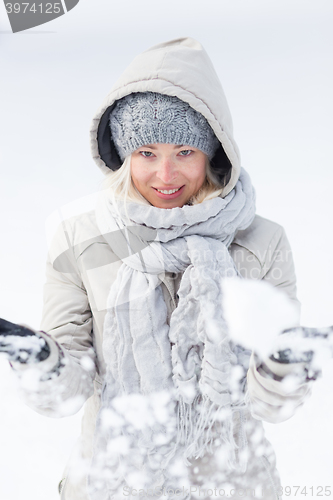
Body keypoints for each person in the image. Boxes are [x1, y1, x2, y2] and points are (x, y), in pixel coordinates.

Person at [0, 38, 313, 500]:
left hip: (230, 485)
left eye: (185, 152)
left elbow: (269, 404)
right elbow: (67, 391)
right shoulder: (80, 239)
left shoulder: (261, 242)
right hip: (113, 486)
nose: (165, 176)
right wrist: (42, 363)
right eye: (147, 153)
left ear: (214, 152)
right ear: (124, 156)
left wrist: (281, 365)